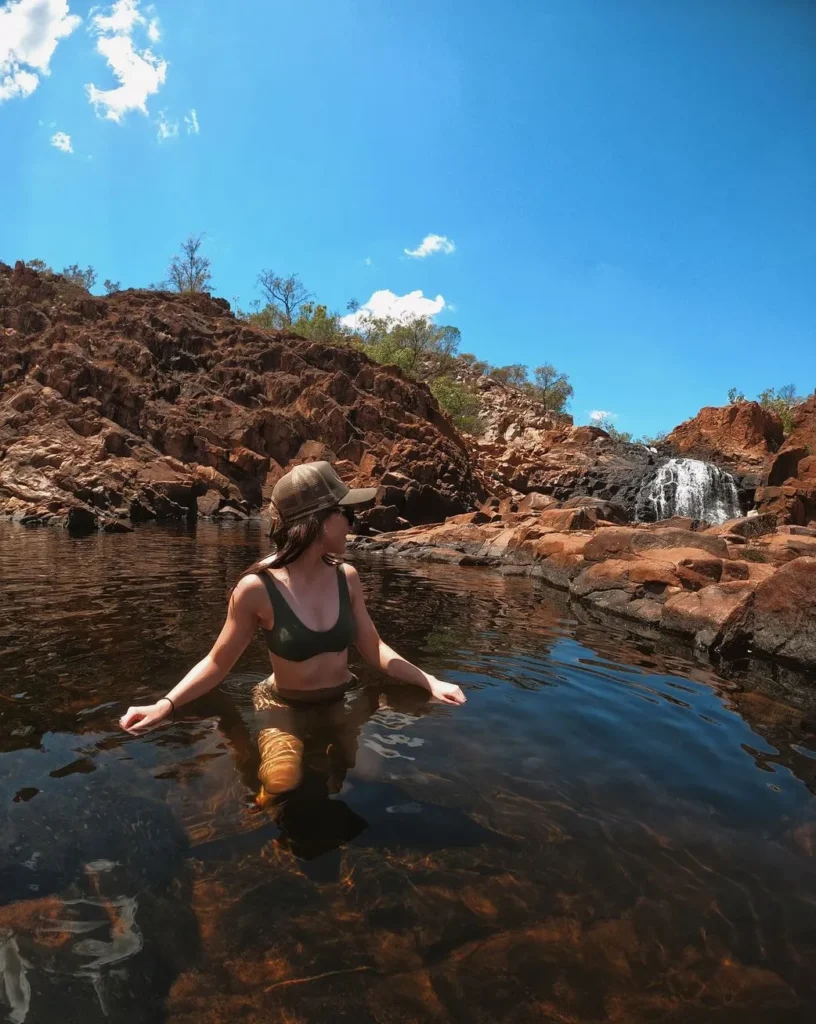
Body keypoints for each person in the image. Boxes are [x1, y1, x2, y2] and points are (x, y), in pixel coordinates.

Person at [119, 461, 466, 804]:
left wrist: (430, 681)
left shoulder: (347, 577)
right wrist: (165, 705)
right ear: (322, 521)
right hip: (282, 704)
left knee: (366, 776)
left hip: (341, 699)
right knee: (281, 784)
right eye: (346, 513)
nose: (352, 523)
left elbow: (374, 647)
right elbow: (217, 662)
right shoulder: (256, 588)